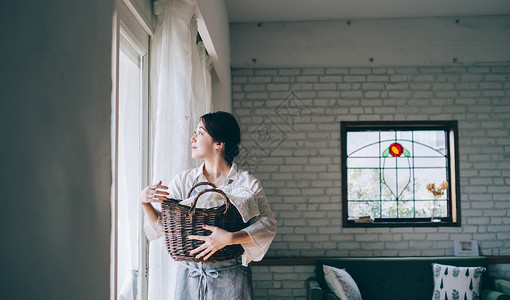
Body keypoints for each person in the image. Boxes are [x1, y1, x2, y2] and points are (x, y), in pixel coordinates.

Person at [140, 111, 277, 300]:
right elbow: (165, 228)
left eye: (200, 133)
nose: (192, 138)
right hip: (188, 276)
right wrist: (145, 202)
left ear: (219, 143)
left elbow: (268, 225)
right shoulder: (183, 181)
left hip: (232, 276)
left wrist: (231, 238)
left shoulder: (247, 183)